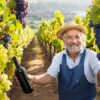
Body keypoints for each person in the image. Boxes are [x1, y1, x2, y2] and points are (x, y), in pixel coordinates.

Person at [28, 22, 100, 100]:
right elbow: (48, 77)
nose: (74, 41)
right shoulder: (59, 57)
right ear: (63, 40)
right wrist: (30, 77)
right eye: (69, 37)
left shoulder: (92, 56)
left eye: (77, 37)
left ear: (82, 39)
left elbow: (98, 71)